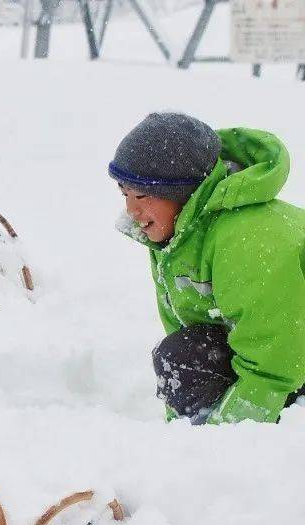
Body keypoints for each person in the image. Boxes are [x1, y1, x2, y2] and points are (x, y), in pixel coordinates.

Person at [110, 112, 305, 424]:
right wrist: (181, 437)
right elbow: (186, 338)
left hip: (292, 354)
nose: (131, 210)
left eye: (142, 195)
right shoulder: (177, 240)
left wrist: (226, 440)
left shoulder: (247, 239)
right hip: (289, 352)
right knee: (183, 357)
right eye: (125, 193)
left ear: (182, 192)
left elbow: (274, 363)